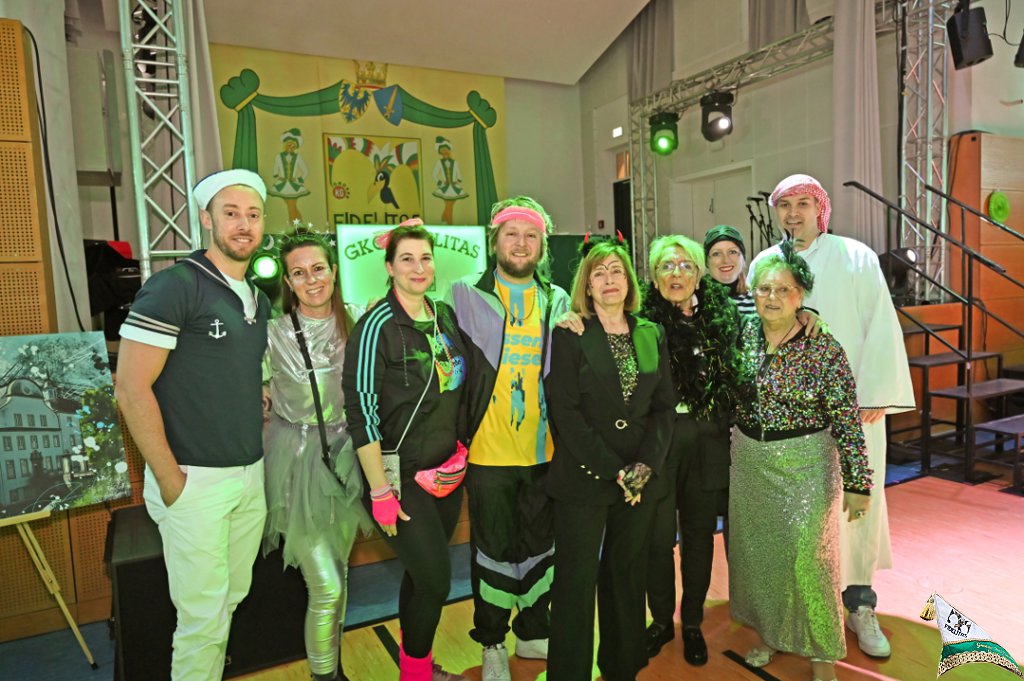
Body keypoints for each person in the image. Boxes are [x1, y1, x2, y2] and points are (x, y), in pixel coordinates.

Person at [750, 174, 915, 658]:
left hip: (852, 412)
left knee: (855, 508)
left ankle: (858, 604)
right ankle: (794, 610)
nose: (793, 213)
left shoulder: (855, 256)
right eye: (785, 205)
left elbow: (881, 324)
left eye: (803, 203)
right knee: (796, 517)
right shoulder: (764, 263)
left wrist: (875, 391)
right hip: (788, 421)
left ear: (819, 209)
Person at [115, 169, 270, 681]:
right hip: (193, 479)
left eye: (253, 214)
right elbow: (130, 389)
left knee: (231, 598)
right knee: (202, 619)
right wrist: (170, 480)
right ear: (206, 219)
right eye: (231, 213)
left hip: (248, 475)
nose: (243, 224)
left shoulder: (258, 296)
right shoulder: (174, 286)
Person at [731, 242, 872, 681]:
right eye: (764, 289)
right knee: (761, 558)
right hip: (750, 463)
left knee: (810, 560)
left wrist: (858, 483)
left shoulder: (823, 347)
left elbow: (847, 418)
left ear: (800, 296)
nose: (772, 297)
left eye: (784, 290)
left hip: (806, 466)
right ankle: (771, 633)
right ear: (752, 293)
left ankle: (823, 653)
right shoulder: (742, 337)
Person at [341, 219, 470, 681]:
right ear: (390, 267)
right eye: (407, 259)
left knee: (421, 577)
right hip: (397, 477)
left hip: (446, 472)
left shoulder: (444, 315)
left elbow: (460, 385)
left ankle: (417, 668)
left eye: (426, 258)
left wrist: (461, 448)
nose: (419, 268)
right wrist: (380, 490)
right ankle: (415, 674)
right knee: (435, 581)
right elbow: (361, 413)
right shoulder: (375, 325)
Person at [447, 197, 569, 679]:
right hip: (487, 453)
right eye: (511, 234)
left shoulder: (559, 299)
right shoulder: (463, 294)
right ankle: (492, 640)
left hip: (544, 452)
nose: (521, 244)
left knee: (540, 547)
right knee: (492, 551)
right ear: (494, 241)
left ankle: (534, 632)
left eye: (531, 235)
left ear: (542, 245)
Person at [546, 239, 676, 681]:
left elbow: (664, 407)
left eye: (616, 271)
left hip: (638, 479)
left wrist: (645, 466)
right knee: (575, 583)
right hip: (585, 476)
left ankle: (622, 668)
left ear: (629, 281)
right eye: (598, 273)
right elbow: (565, 412)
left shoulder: (651, 332)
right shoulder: (570, 333)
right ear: (586, 284)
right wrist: (614, 471)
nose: (608, 280)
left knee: (626, 577)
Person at [261, 230, 372, 681]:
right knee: (325, 585)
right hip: (296, 463)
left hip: (348, 461)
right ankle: (324, 677)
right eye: (299, 273)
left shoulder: (360, 321)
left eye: (319, 269)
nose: (312, 280)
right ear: (288, 281)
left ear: (334, 270)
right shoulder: (272, 334)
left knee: (339, 576)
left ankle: (332, 668)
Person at [640, 235, 742, 666]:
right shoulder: (637, 321)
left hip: (706, 439)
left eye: (686, 265)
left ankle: (693, 621)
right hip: (658, 443)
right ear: (653, 277)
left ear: (700, 275)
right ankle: (662, 621)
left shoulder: (723, 318)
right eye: (666, 266)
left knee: (699, 536)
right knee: (657, 537)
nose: (676, 273)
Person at [704, 224, 756, 315]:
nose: (726, 260)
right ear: (707, 262)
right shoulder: (696, 302)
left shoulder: (760, 302)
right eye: (716, 254)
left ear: (743, 258)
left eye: (732, 252)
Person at [269, 128, 310, 223]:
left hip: (293, 185)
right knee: (292, 207)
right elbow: (276, 169)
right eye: (289, 144)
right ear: (285, 144)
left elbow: (305, 170)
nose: (290, 147)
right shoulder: (279, 156)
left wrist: (299, 179)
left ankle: (295, 228)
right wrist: (278, 176)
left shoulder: (298, 157)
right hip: (282, 184)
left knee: (291, 207)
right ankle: (299, 227)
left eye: (293, 146)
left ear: (295, 147)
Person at [432, 137, 469, 225]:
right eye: (442, 150)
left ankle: (445, 222)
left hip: (454, 186)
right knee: (449, 206)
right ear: (440, 152)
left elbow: (458, 173)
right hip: (445, 187)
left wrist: (458, 180)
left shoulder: (454, 162)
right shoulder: (439, 162)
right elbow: (434, 175)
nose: (445, 152)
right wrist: (441, 182)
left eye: (446, 150)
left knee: (449, 206)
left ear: (449, 150)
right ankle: (448, 223)